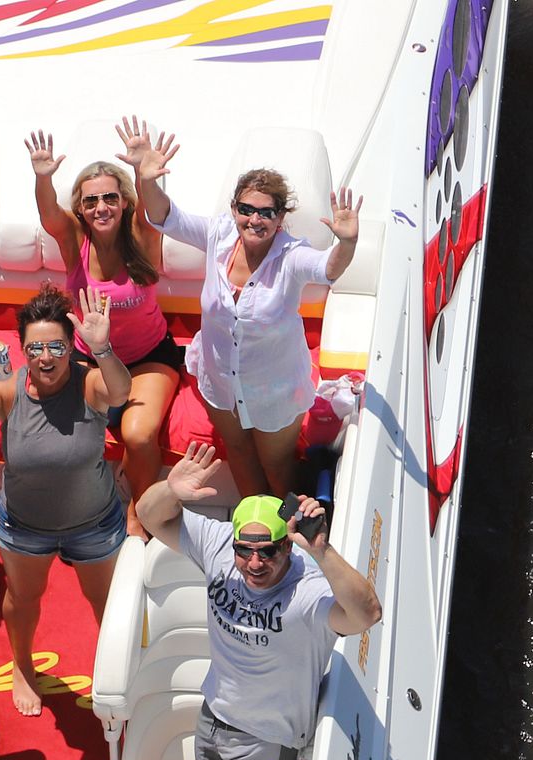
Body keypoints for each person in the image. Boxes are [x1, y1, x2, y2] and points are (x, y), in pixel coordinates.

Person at [121, 123, 362, 497]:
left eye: (266, 212)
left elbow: (327, 269)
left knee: (277, 467)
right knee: (238, 452)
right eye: (246, 209)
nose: (255, 220)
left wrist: (346, 244)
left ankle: (287, 527)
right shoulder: (219, 234)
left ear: (281, 218)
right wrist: (146, 179)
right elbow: (167, 217)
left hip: (274, 388)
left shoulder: (292, 255)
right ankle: (254, 520)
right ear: (234, 209)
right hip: (219, 379)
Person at [137, 442, 382, 760]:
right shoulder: (218, 545)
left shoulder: (307, 590)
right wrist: (170, 490)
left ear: (288, 547)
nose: (254, 564)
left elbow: (367, 615)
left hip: (268, 740)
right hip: (212, 718)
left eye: (268, 551)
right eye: (244, 550)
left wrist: (321, 550)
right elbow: (149, 515)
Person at [0, 283, 132, 716]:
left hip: (94, 524)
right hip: (24, 526)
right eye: (35, 348)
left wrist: (102, 348)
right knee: (23, 597)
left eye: (56, 346)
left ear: (71, 348)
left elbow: (121, 392)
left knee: (105, 602)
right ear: (22, 351)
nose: (46, 357)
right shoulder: (7, 389)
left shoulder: (89, 383)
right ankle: (22, 665)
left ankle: (117, 669)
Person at [25, 128, 182, 539]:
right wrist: (43, 177)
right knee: (64, 433)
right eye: (91, 201)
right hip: (88, 358)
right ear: (80, 208)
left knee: (138, 434)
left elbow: (154, 208)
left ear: (125, 201)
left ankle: (139, 510)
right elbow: (49, 215)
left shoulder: (143, 233)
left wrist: (145, 174)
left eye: (110, 198)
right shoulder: (74, 238)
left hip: (149, 357)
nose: (101, 208)